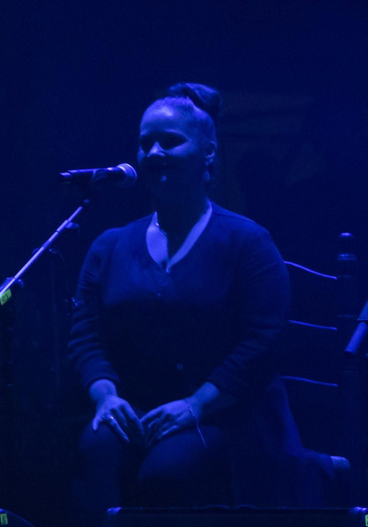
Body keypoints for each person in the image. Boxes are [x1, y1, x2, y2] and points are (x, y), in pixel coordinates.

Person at [67, 83, 318, 525]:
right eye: (146, 143)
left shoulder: (246, 242)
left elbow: (264, 341)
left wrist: (197, 404)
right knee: (95, 451)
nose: (155, 152)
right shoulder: (110, 246)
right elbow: (87, 334)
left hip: (225, 415)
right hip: (139, 411)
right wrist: (105, 396)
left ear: (207, 154)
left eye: (170, 141)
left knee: (170, 471)